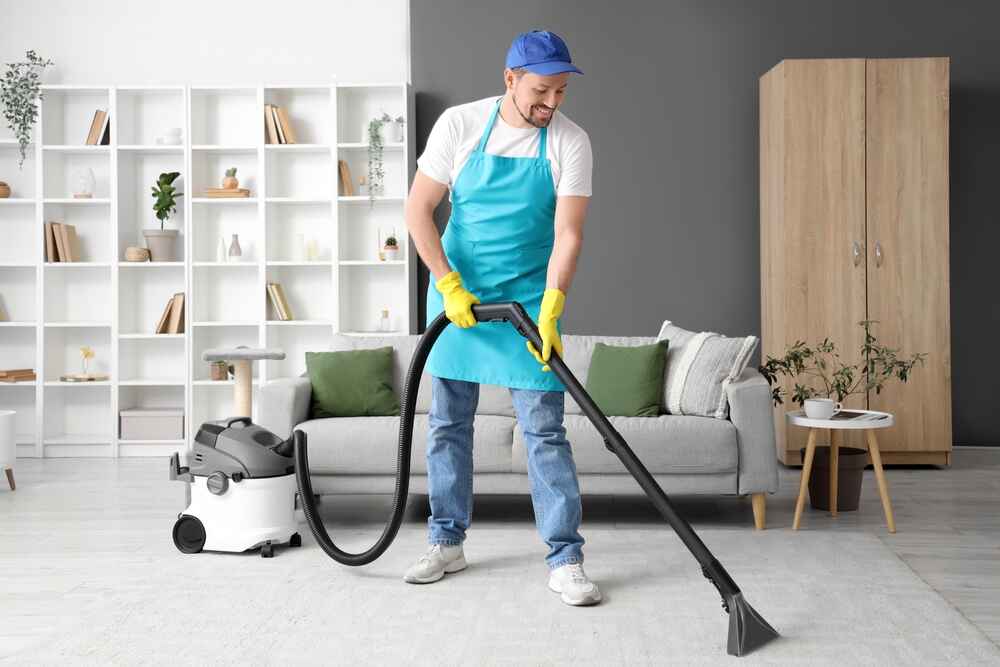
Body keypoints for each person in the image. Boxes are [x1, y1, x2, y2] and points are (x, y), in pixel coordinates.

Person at [402, 29, 599, 606]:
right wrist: (447, 283)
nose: (552, 103)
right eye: (542, 90)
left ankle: (565, 559)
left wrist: (554, 305)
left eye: (561, 91)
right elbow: (418, 210)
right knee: (447, 424)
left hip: (528, 303)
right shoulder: (461, 126)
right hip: (458, 295)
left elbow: (568, 232)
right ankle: (446, 542)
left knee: (544, 431)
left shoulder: (571, 142)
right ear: (510, 79)